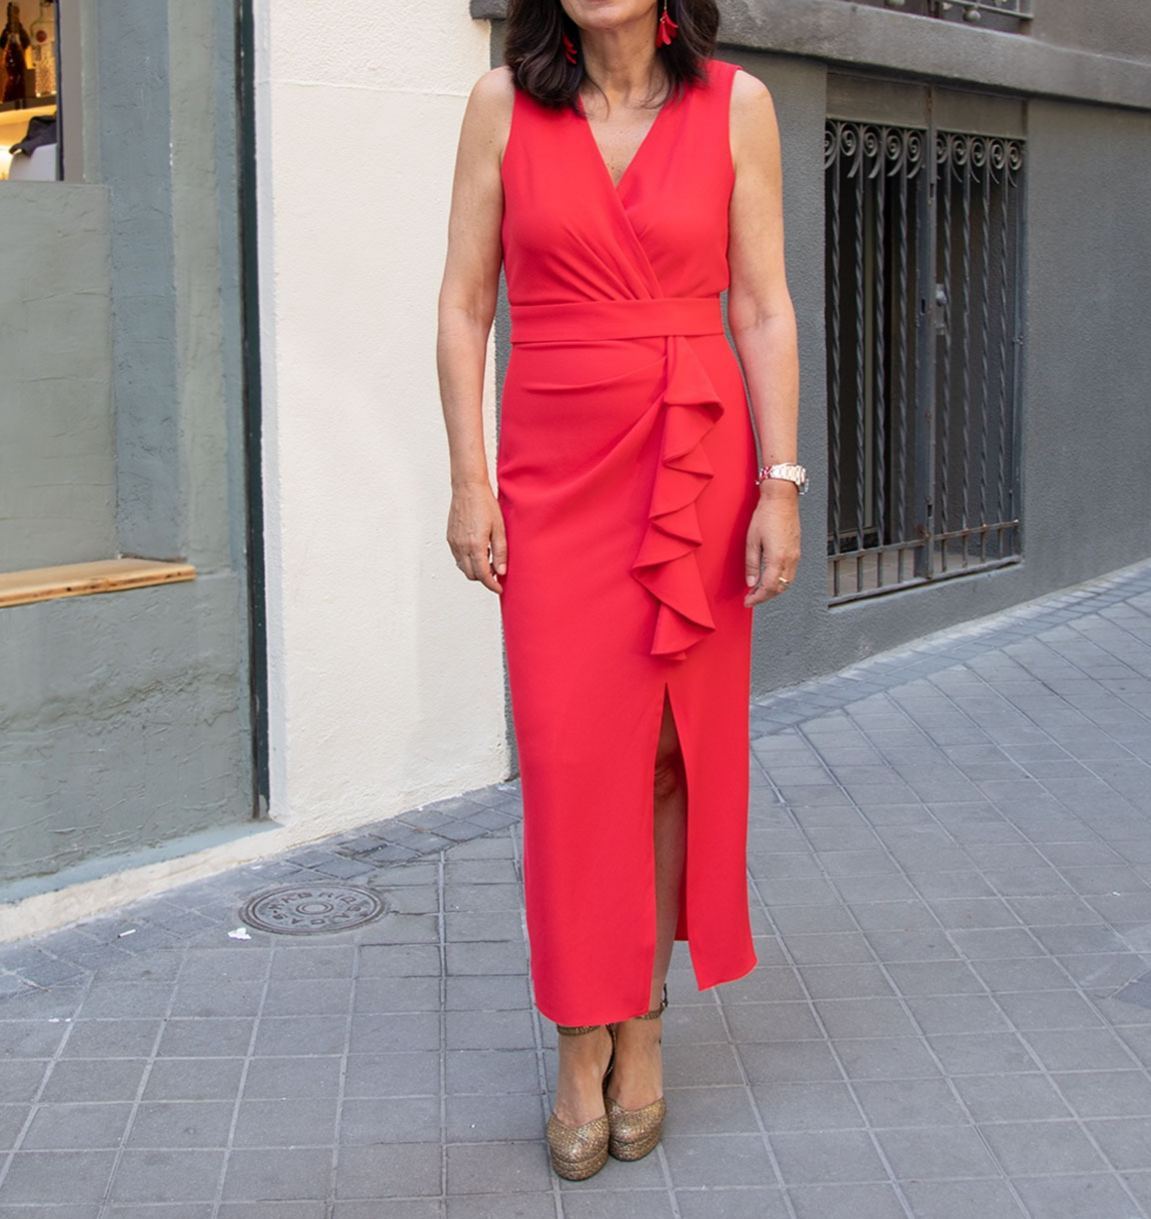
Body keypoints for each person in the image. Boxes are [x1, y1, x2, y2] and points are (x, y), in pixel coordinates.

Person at [436, 0, 801, 1181]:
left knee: (665, 753)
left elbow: (760, 305)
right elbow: (464, 304)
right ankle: (574, 1027)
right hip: (551, 473)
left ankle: (638, 1017)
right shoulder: (501, 105)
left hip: (693, 459)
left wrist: (781, 483)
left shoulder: (737, 106)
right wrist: (469, 480)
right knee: (564, 759)